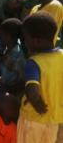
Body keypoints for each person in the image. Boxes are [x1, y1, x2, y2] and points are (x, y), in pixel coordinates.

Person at [17, 12, 63, 143]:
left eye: (26, 39)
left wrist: (37, 104)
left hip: (33, 120)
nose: (25, 43)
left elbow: (32, 90)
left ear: (36, 41)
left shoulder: (34, 62)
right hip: (55, 120)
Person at [0, 18, 26, 98]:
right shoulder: (7, 49)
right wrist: (0, 80)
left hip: (13, 96)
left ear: (8, 36)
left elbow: (22, 81)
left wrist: (7, 88)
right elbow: (9, 73)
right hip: (5, 90)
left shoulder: (17, 55)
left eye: (2, 34)